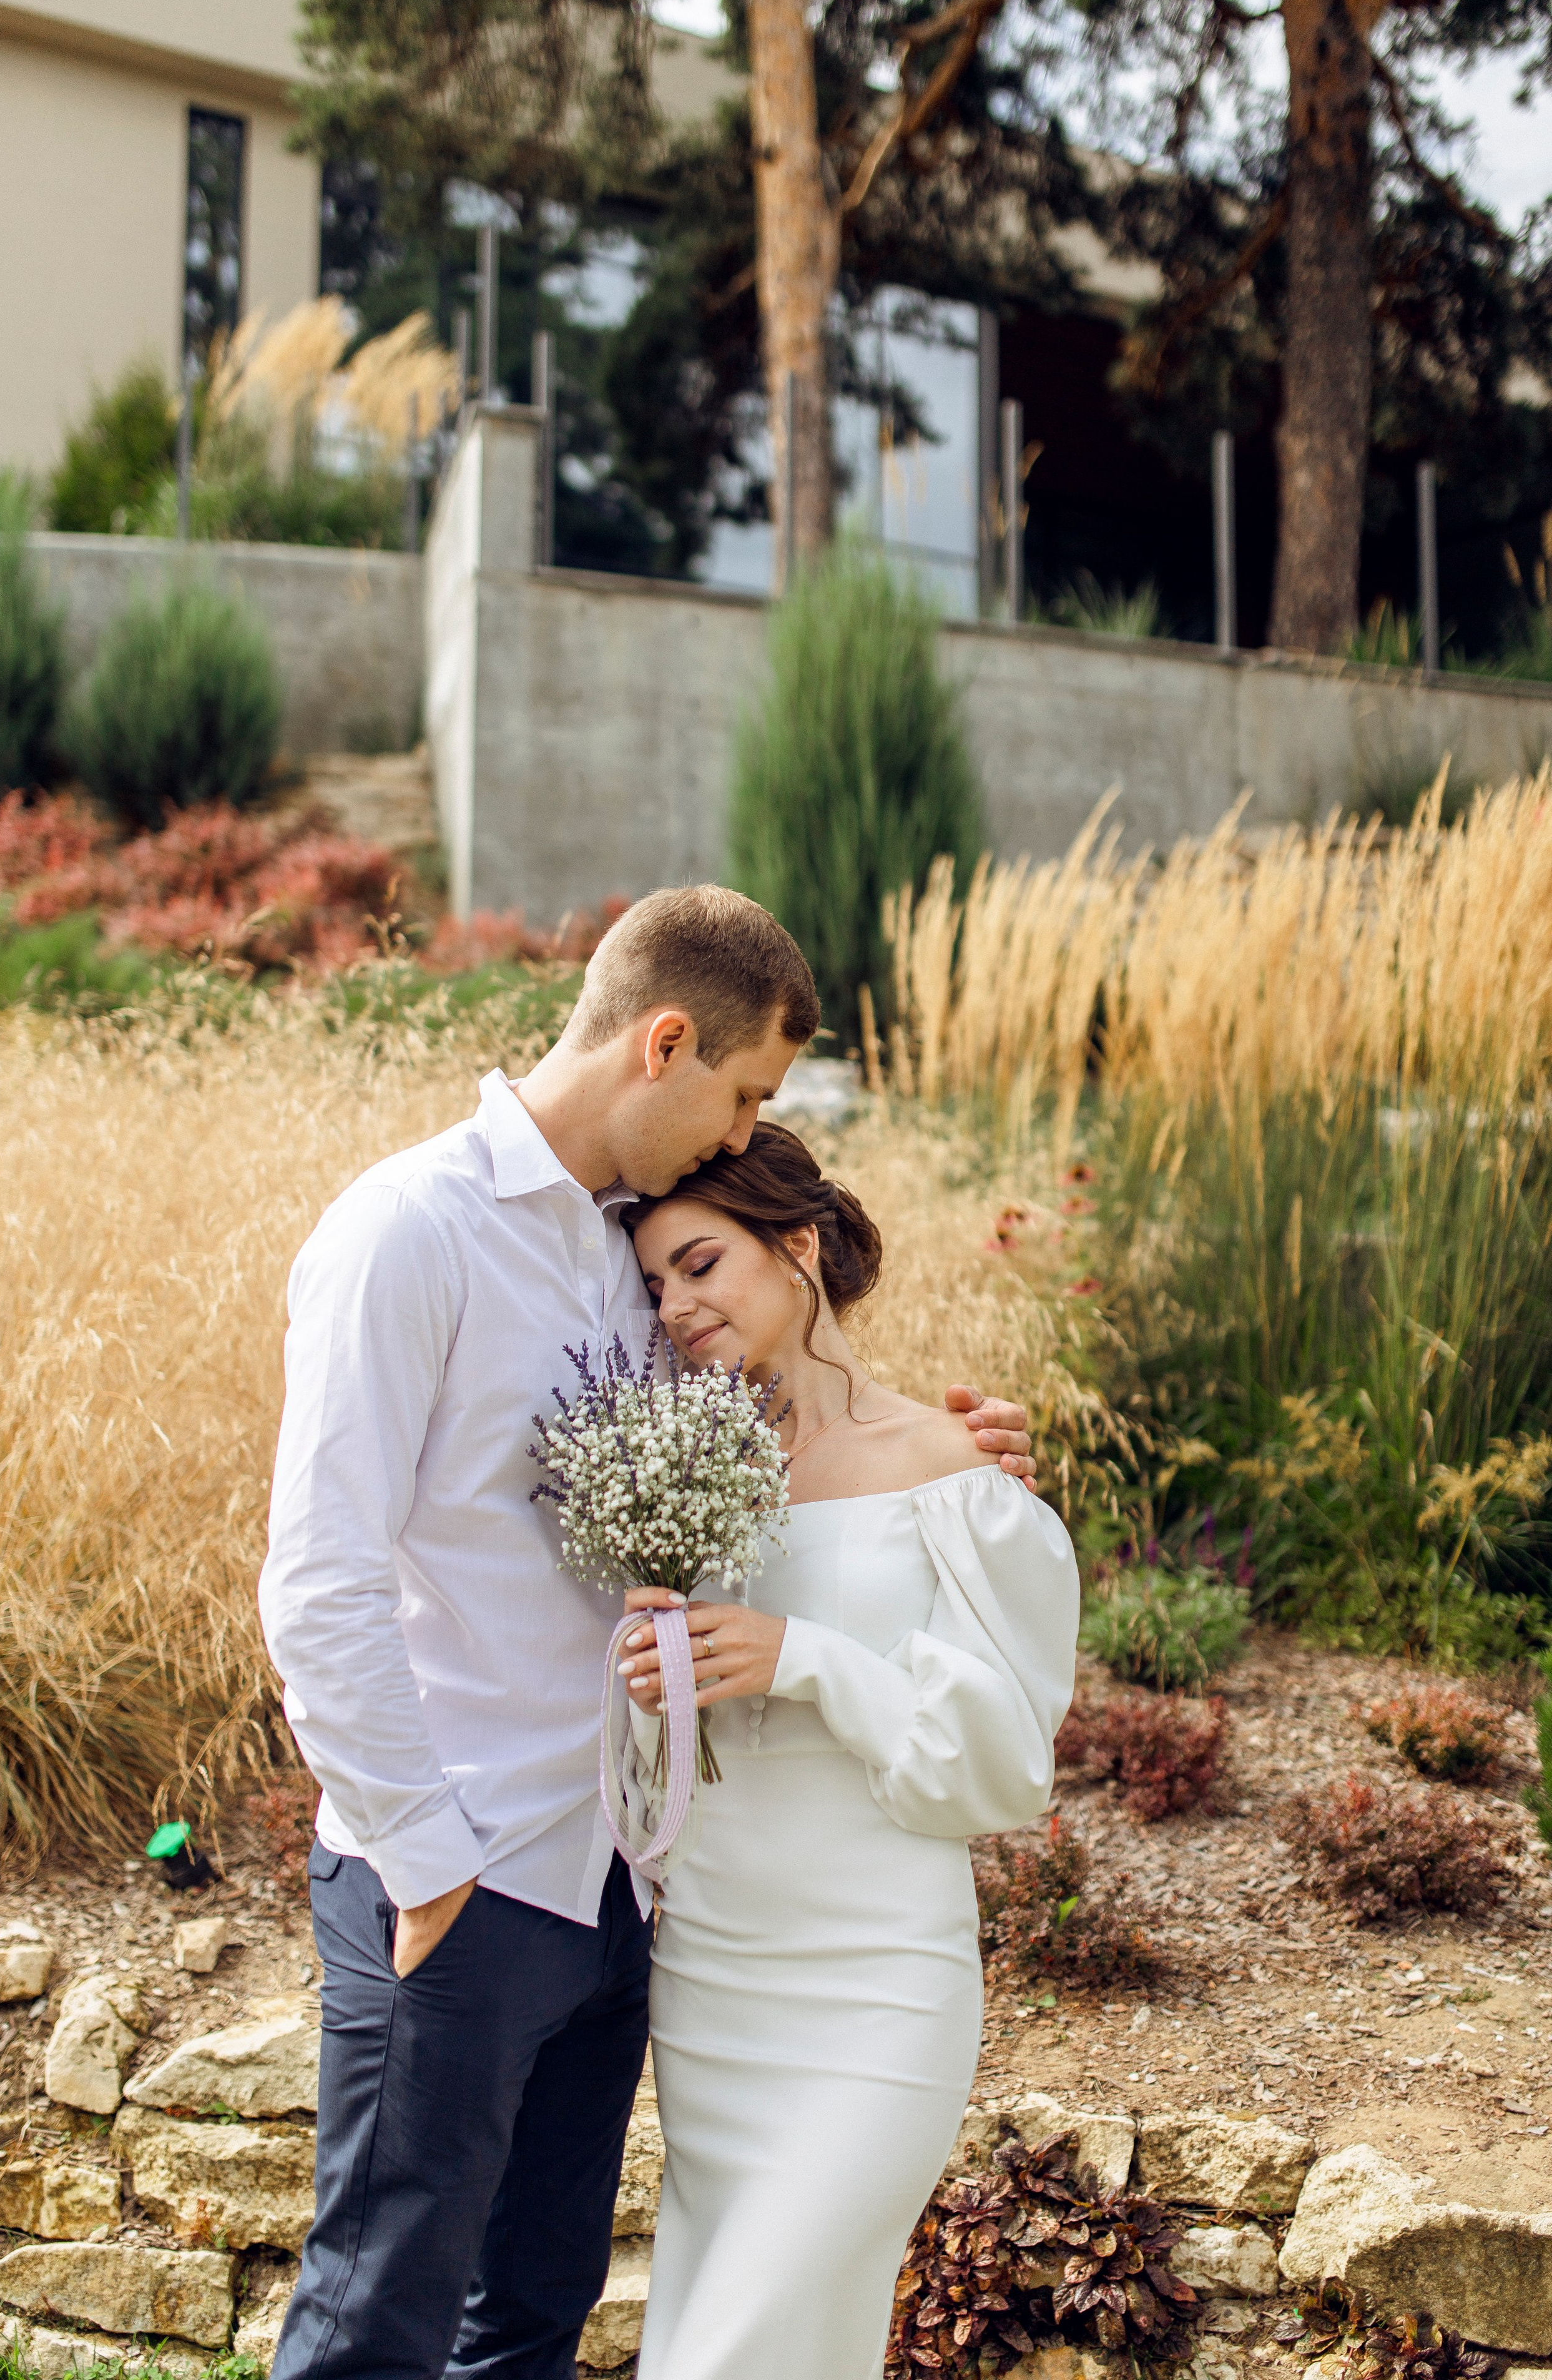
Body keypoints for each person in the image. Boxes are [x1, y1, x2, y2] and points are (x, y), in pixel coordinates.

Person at [257, 883, 1041, 2380]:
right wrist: (425, 1869)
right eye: (742, 1091)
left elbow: (781, 1393)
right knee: (375, 2325)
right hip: (461, 1876)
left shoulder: (633, 1246)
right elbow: (318, 1580)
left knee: (527, 2326)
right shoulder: (406, 1233)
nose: (741, 1135)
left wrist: (959, 1450)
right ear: (663, 1041)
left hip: (612, 1896)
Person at [616, 1121, 1080, 2380]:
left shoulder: (951, 1471)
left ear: (799, 1246)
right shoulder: (679, 1473)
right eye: (654, 1284)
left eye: (700, 1265)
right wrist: (640, 1685)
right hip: (715, 1969)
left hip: (876, 1980)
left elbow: (997, 1762)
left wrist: (802, 1659)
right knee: (731, 2337)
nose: (674, 1306)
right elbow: (660, 1756)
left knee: (750, 2338)